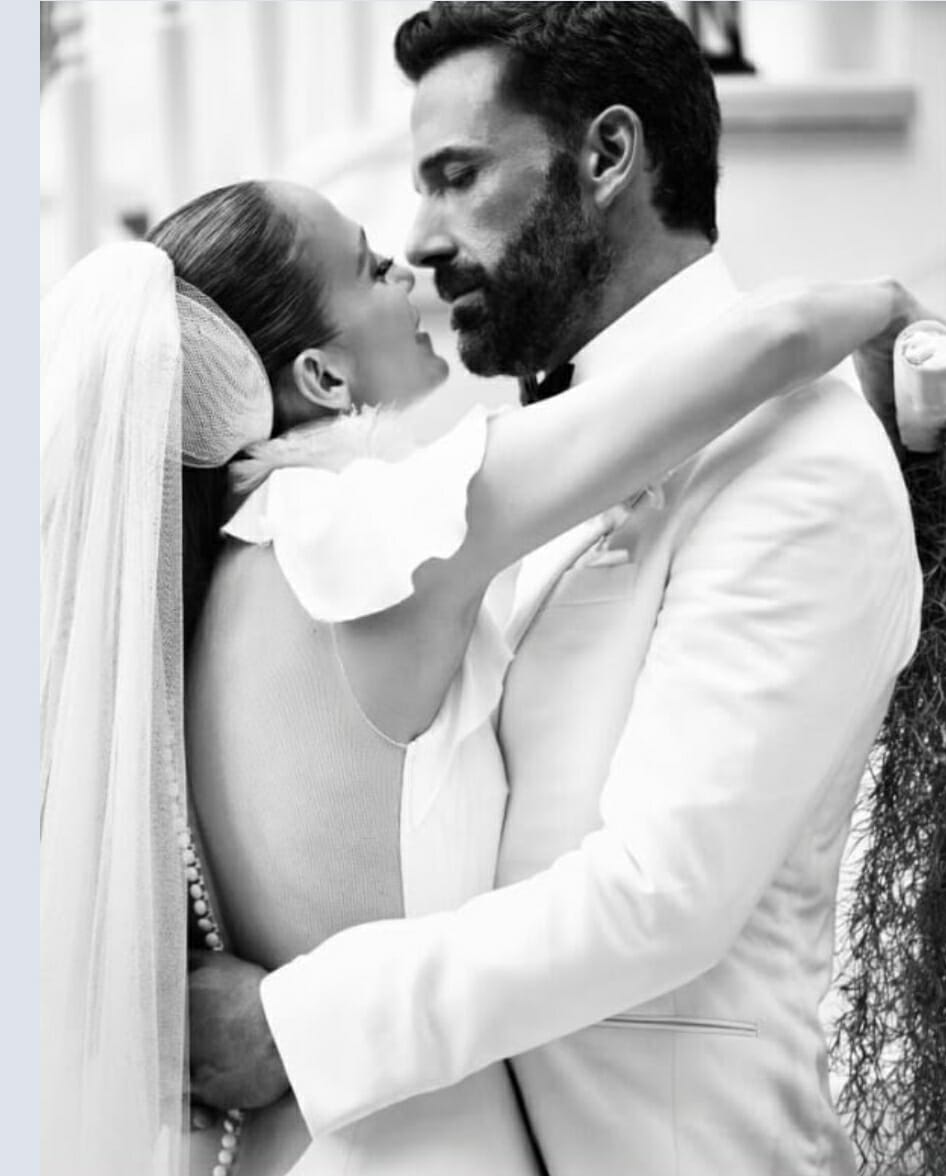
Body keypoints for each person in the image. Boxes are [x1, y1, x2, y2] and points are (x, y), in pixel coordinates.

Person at [40, 168, 931, 1176]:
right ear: (322, 378)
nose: (408, 274)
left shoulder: (205, 593)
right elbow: (752, 353)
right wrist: (880, 307)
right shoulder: (365, 544)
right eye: (368, 267)